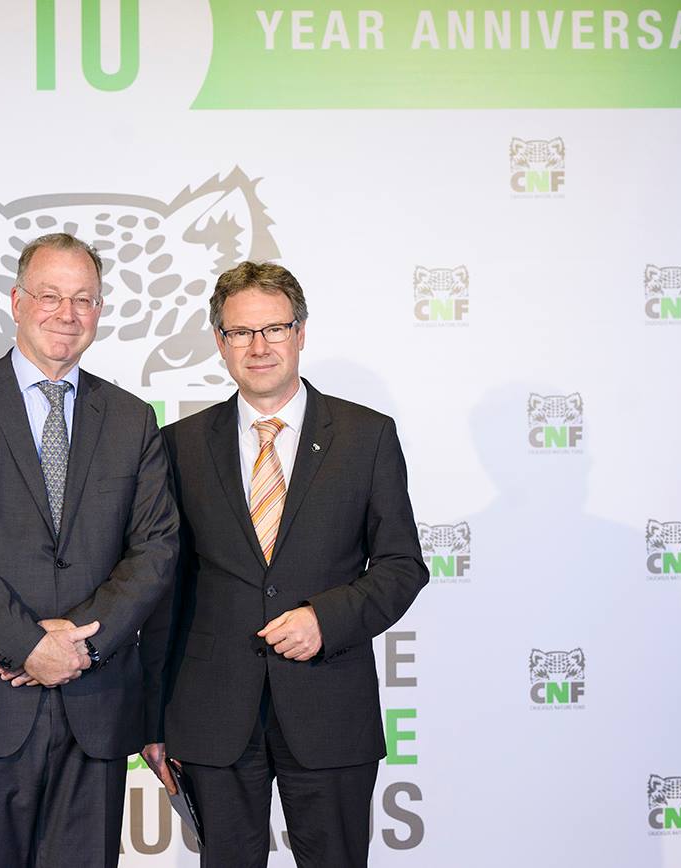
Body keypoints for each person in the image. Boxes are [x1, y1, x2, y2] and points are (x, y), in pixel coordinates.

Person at [0, 232, 179, 867]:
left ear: (100, 310)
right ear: (17, 301)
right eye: (50, 295)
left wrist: (77, 648)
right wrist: (27, 644)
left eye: (84, 299)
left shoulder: (132, 417)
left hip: (93, 704)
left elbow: (156, 547)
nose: (67, 313)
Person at [141, 261, 428, 867]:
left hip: (329, 707)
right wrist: (153, 717)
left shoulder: (366, 436)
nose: (259, 346)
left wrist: (326, 618)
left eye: (274, 328)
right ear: (219, 341)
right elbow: (166, 591)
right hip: (211, 714)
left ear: (300, 332)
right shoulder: (179, 445)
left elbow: (403, 564)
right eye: (241, 332)